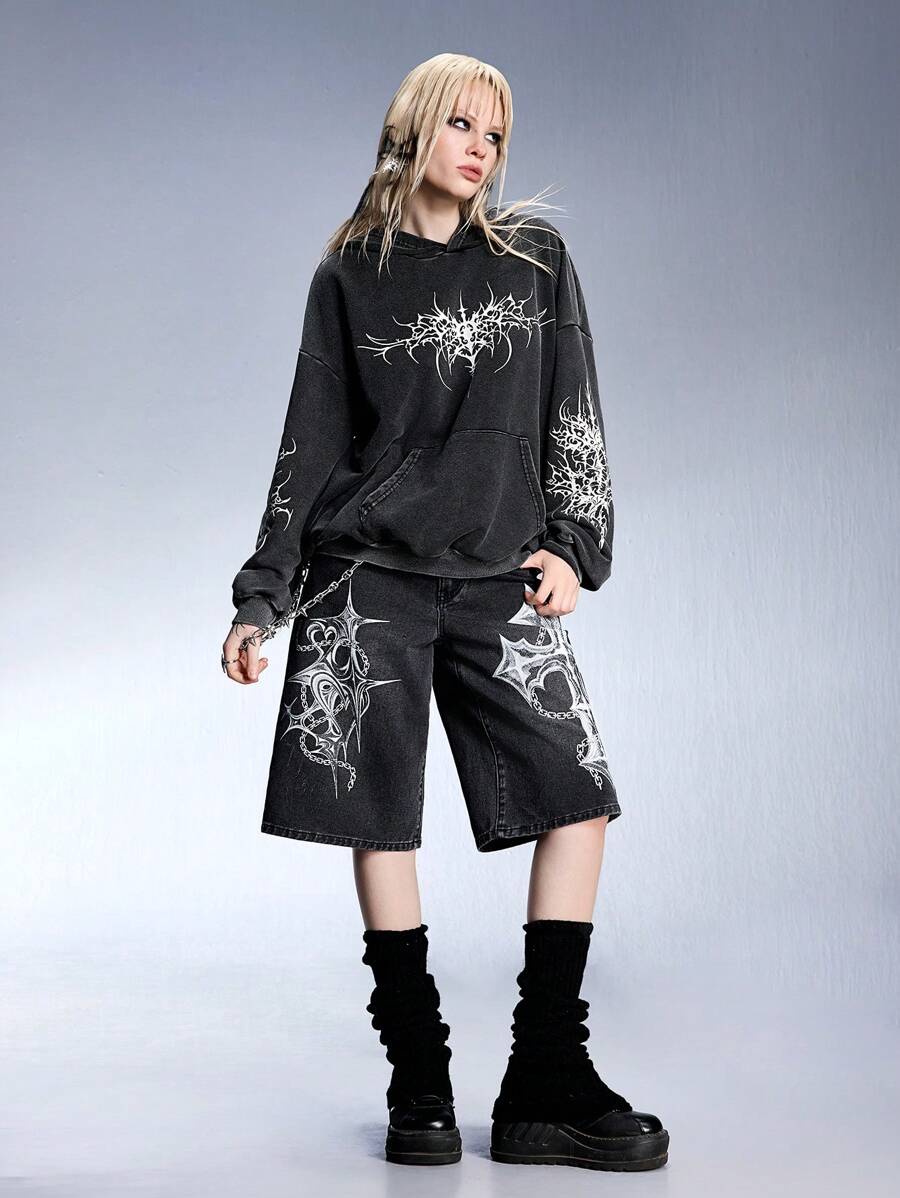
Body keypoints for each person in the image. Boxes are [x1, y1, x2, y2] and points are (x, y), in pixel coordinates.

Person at [221, 52, 669, 1172]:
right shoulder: (351, 275)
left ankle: (544, 1076)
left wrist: (574, 542)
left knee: (577, 797)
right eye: (462, 124)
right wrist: (263, 596)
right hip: (364, 577)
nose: (480, 149)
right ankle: (418, 1077)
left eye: (496, 135)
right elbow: (310, 439)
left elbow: (575, 409)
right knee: (380, 817)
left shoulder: (534, 259)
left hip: (495, 574)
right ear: (412, 128)